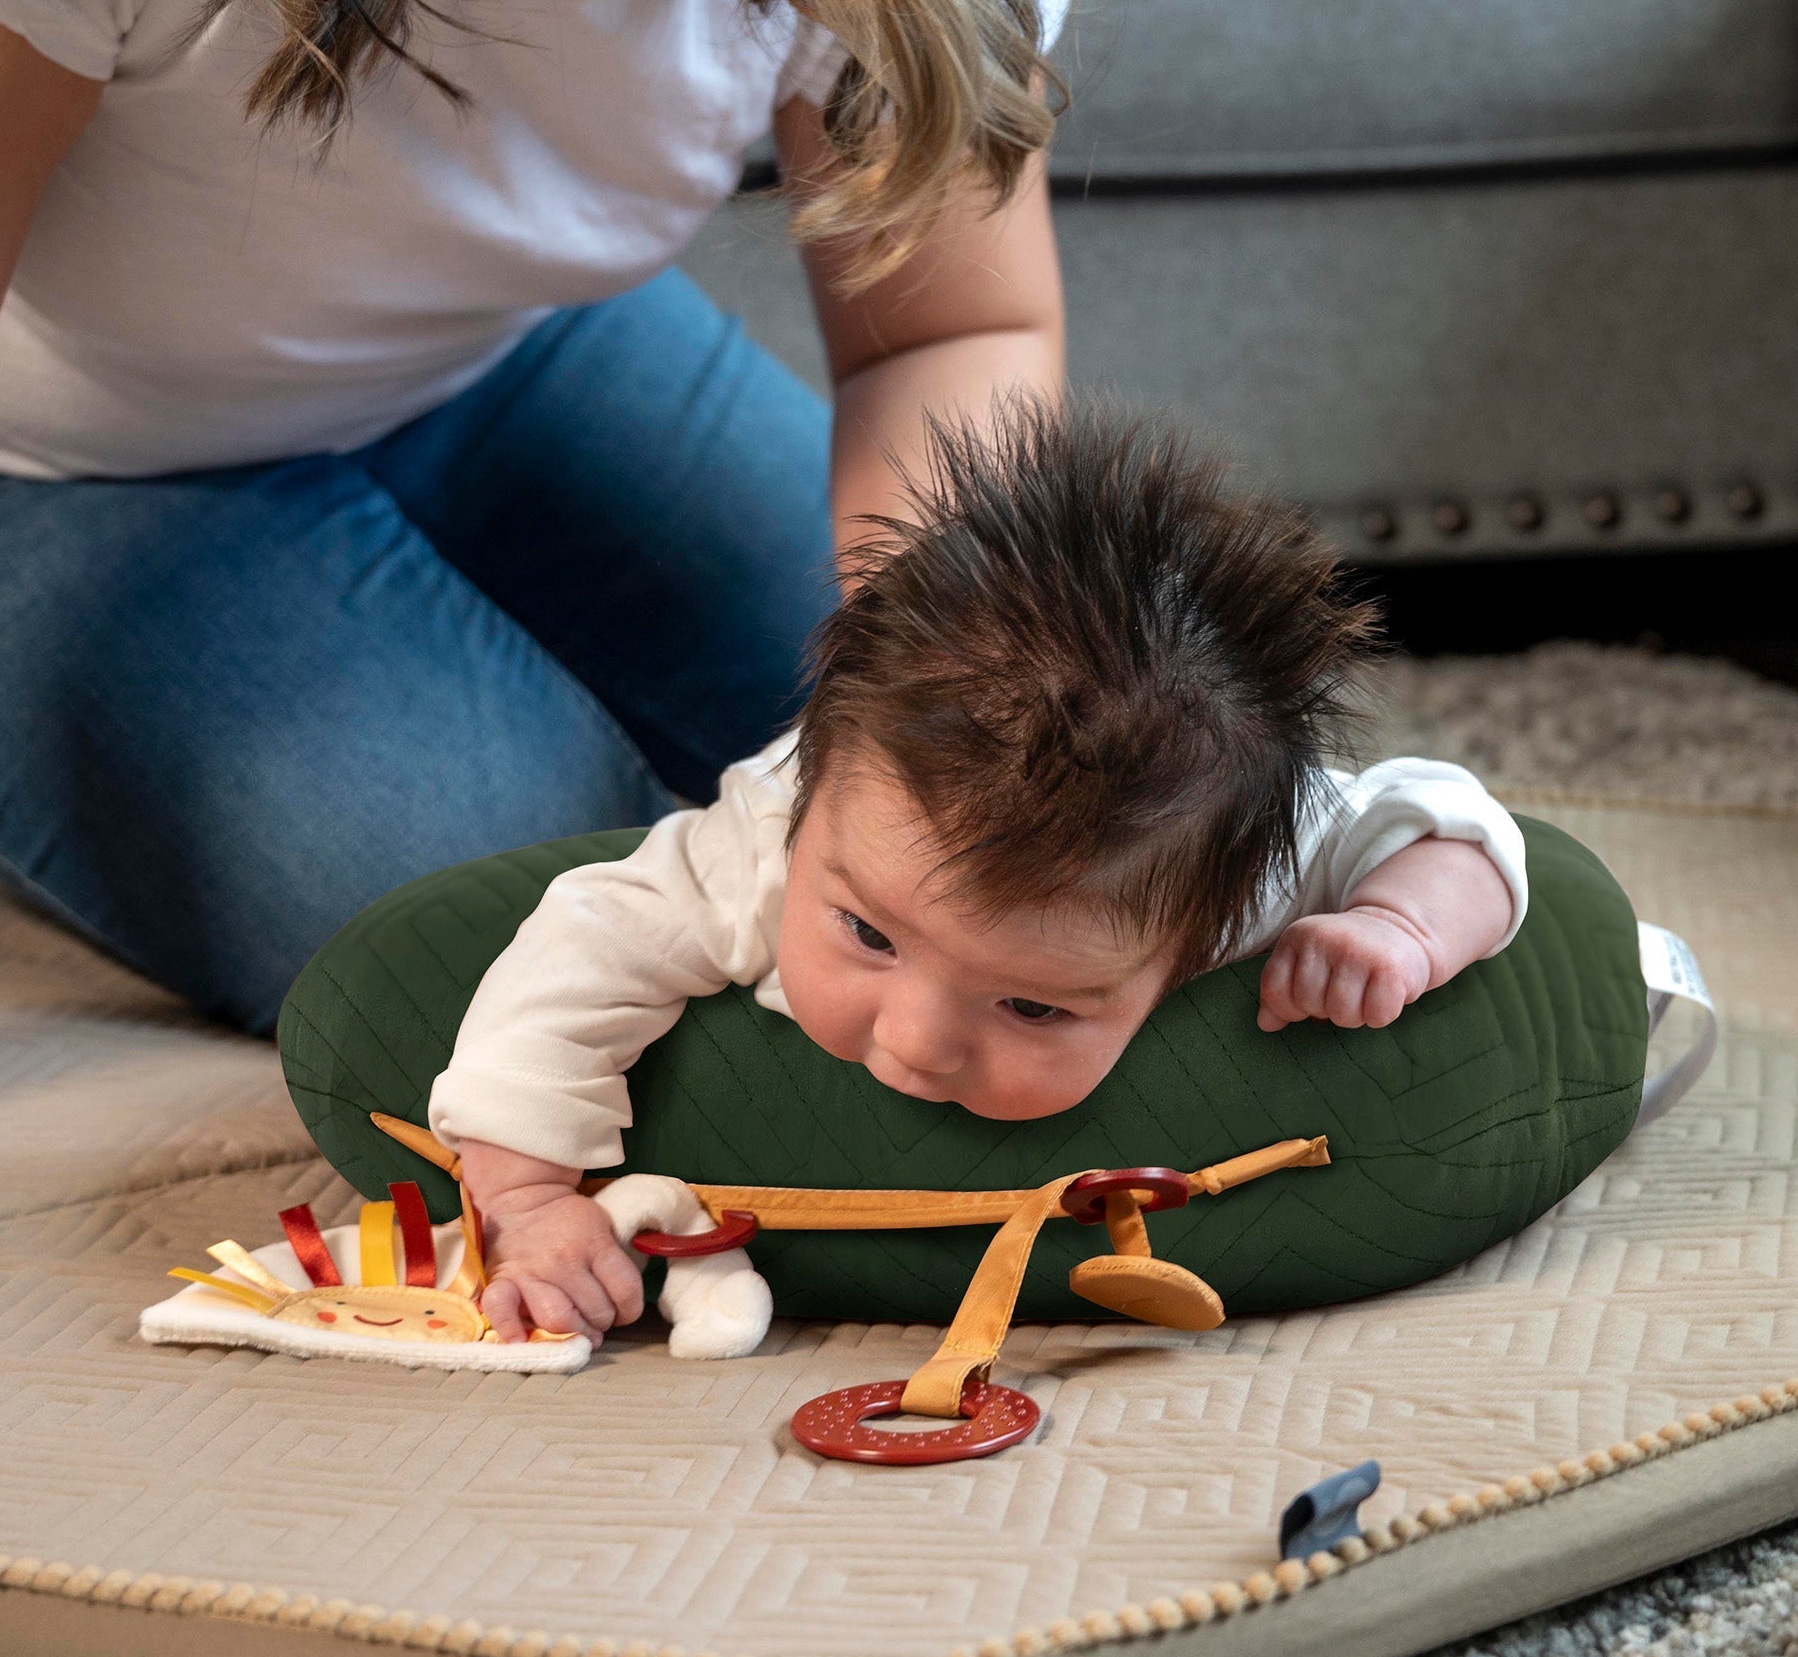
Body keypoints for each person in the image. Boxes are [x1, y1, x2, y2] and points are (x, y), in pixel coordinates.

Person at [0, 0, 1089, 1030]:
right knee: (546, 954)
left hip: (492, 351)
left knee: (1043, 836)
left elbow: (956, 329)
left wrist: (958, 746)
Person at [427, 405, 1528, 1345]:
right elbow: (577, 948)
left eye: (1031, 1002)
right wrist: (525, 1198)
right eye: (866, 935)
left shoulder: (1236, 866)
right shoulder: (767, 841)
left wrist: (1399, 928)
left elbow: (1454, 824)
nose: (913, 1040)